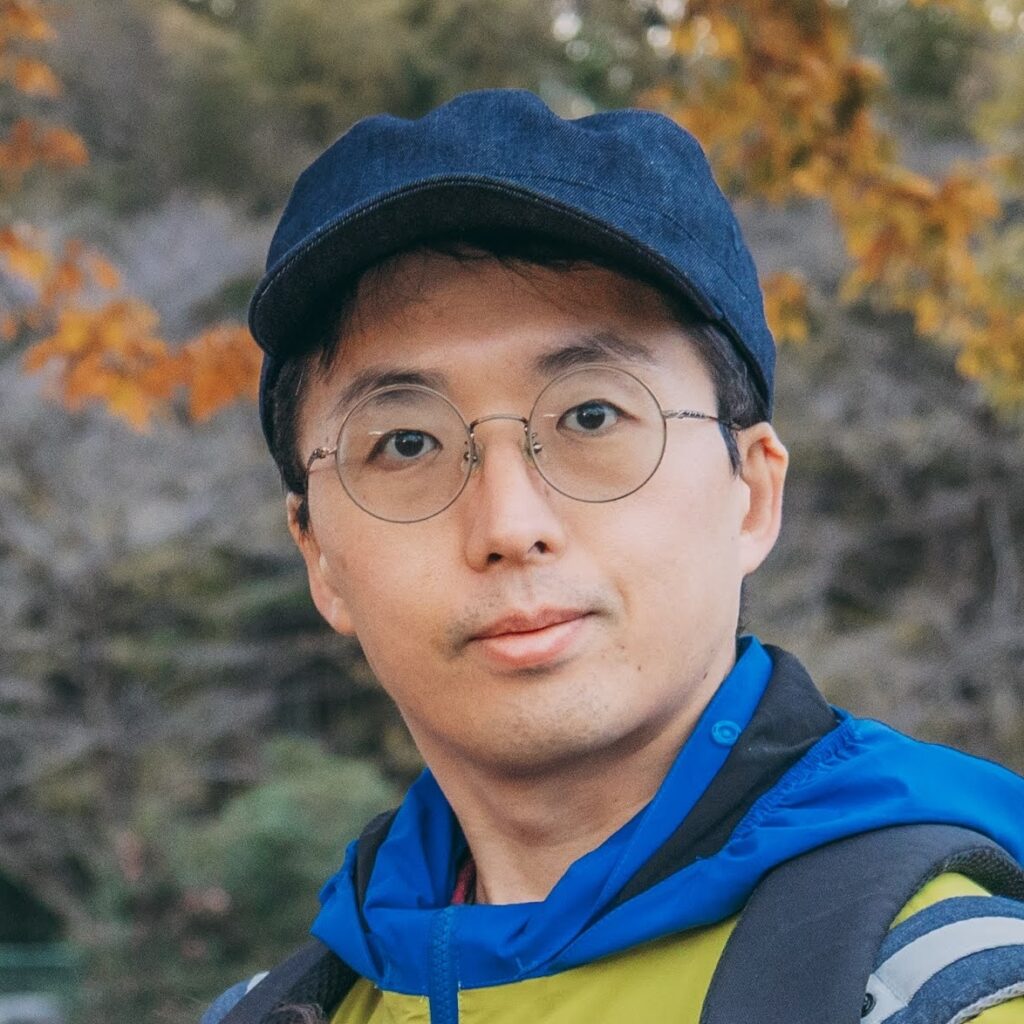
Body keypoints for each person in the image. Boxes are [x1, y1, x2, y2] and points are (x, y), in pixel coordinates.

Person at [204, 89, 1024, 1024]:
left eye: (592, 416)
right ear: (318, 556)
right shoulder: (282, 1011)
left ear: (752, 493)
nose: (509, 525)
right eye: (406, 443)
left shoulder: (937, 986)